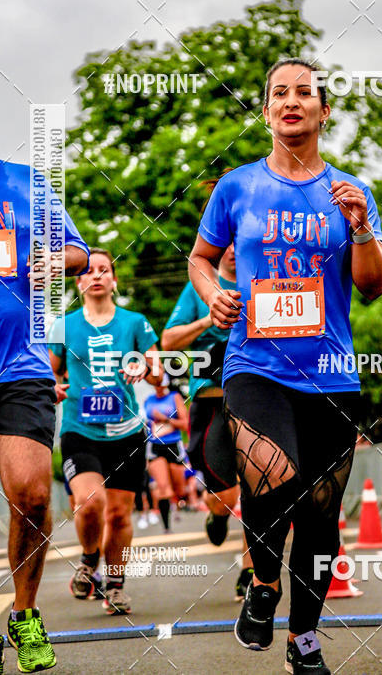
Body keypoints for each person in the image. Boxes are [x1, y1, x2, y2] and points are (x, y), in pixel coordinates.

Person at [188, 58, 382, 674]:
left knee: (323, 519)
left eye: (305, 93)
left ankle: (304, 637)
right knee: (272, 476)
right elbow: (202, 257)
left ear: (324, 111)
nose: (292, 101)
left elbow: (374, 285)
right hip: (254, 365)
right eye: (280, 93)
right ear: (267, 109)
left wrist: (359, 230)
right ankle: (263, 586)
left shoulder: (350, 192)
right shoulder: (237, 188)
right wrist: (211, 293)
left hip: (331, 373)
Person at [0, 79, 89, 674]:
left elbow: (79, 255)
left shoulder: (28, 184)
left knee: (32, 493)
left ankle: (27, 614)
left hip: (21, 366)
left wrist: (50, 260)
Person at [49, 248, 160, 616]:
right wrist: (53, 388)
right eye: (89, 271)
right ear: (79, 282)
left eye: (104, 270)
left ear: (113, 280)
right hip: (81, 429)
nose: (96, 276)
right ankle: (88, 558)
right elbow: (49, 374)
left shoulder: (135, 322)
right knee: (90, 501)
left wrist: (145, 367)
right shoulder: (64, 326)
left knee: (119, 515)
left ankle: (115, 585)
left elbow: (159, 371)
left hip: (127, 432)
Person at [162, 237, 253, 600]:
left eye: (238, 241)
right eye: (225, 242)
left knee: (256, 489)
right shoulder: (200, 286)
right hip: (210, 402)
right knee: (227, 495)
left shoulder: (261, 282)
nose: (232, 249)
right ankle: (217, 512)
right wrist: (208, 316)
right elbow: (168, 341)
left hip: (253, 399)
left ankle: (251, 571)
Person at [144, 376, 189, 531]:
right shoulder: (148, 400)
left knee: (179, 489)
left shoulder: (174, 398)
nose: (158, 386)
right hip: (155, 446)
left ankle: (176, 505)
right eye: (155, 383)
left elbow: (185, 424)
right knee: (163, 487)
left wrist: (166, 420)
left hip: (173, 445)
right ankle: (166, 526)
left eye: (161, 383)